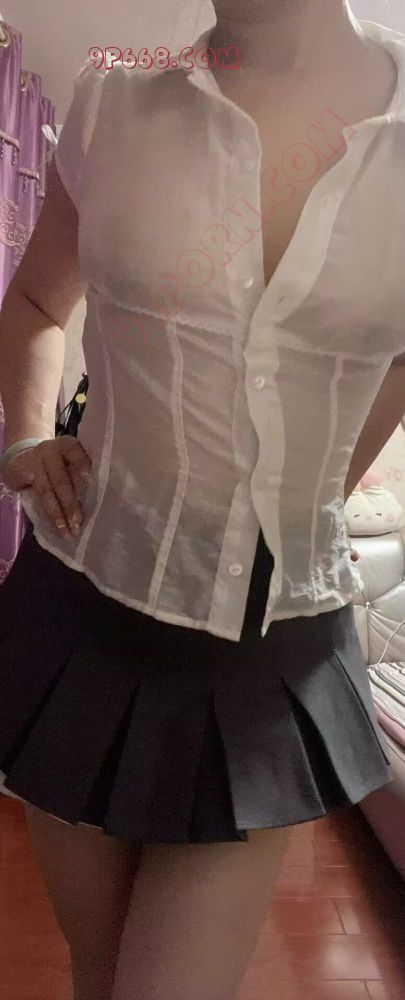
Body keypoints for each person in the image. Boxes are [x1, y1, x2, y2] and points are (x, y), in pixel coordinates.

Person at [0, 1, 405, 998]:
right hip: (79, 606)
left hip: (271, 652)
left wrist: (316, 497)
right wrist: (27, 436)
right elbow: (39, 300)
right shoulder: (113, 97)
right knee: (99, 975)